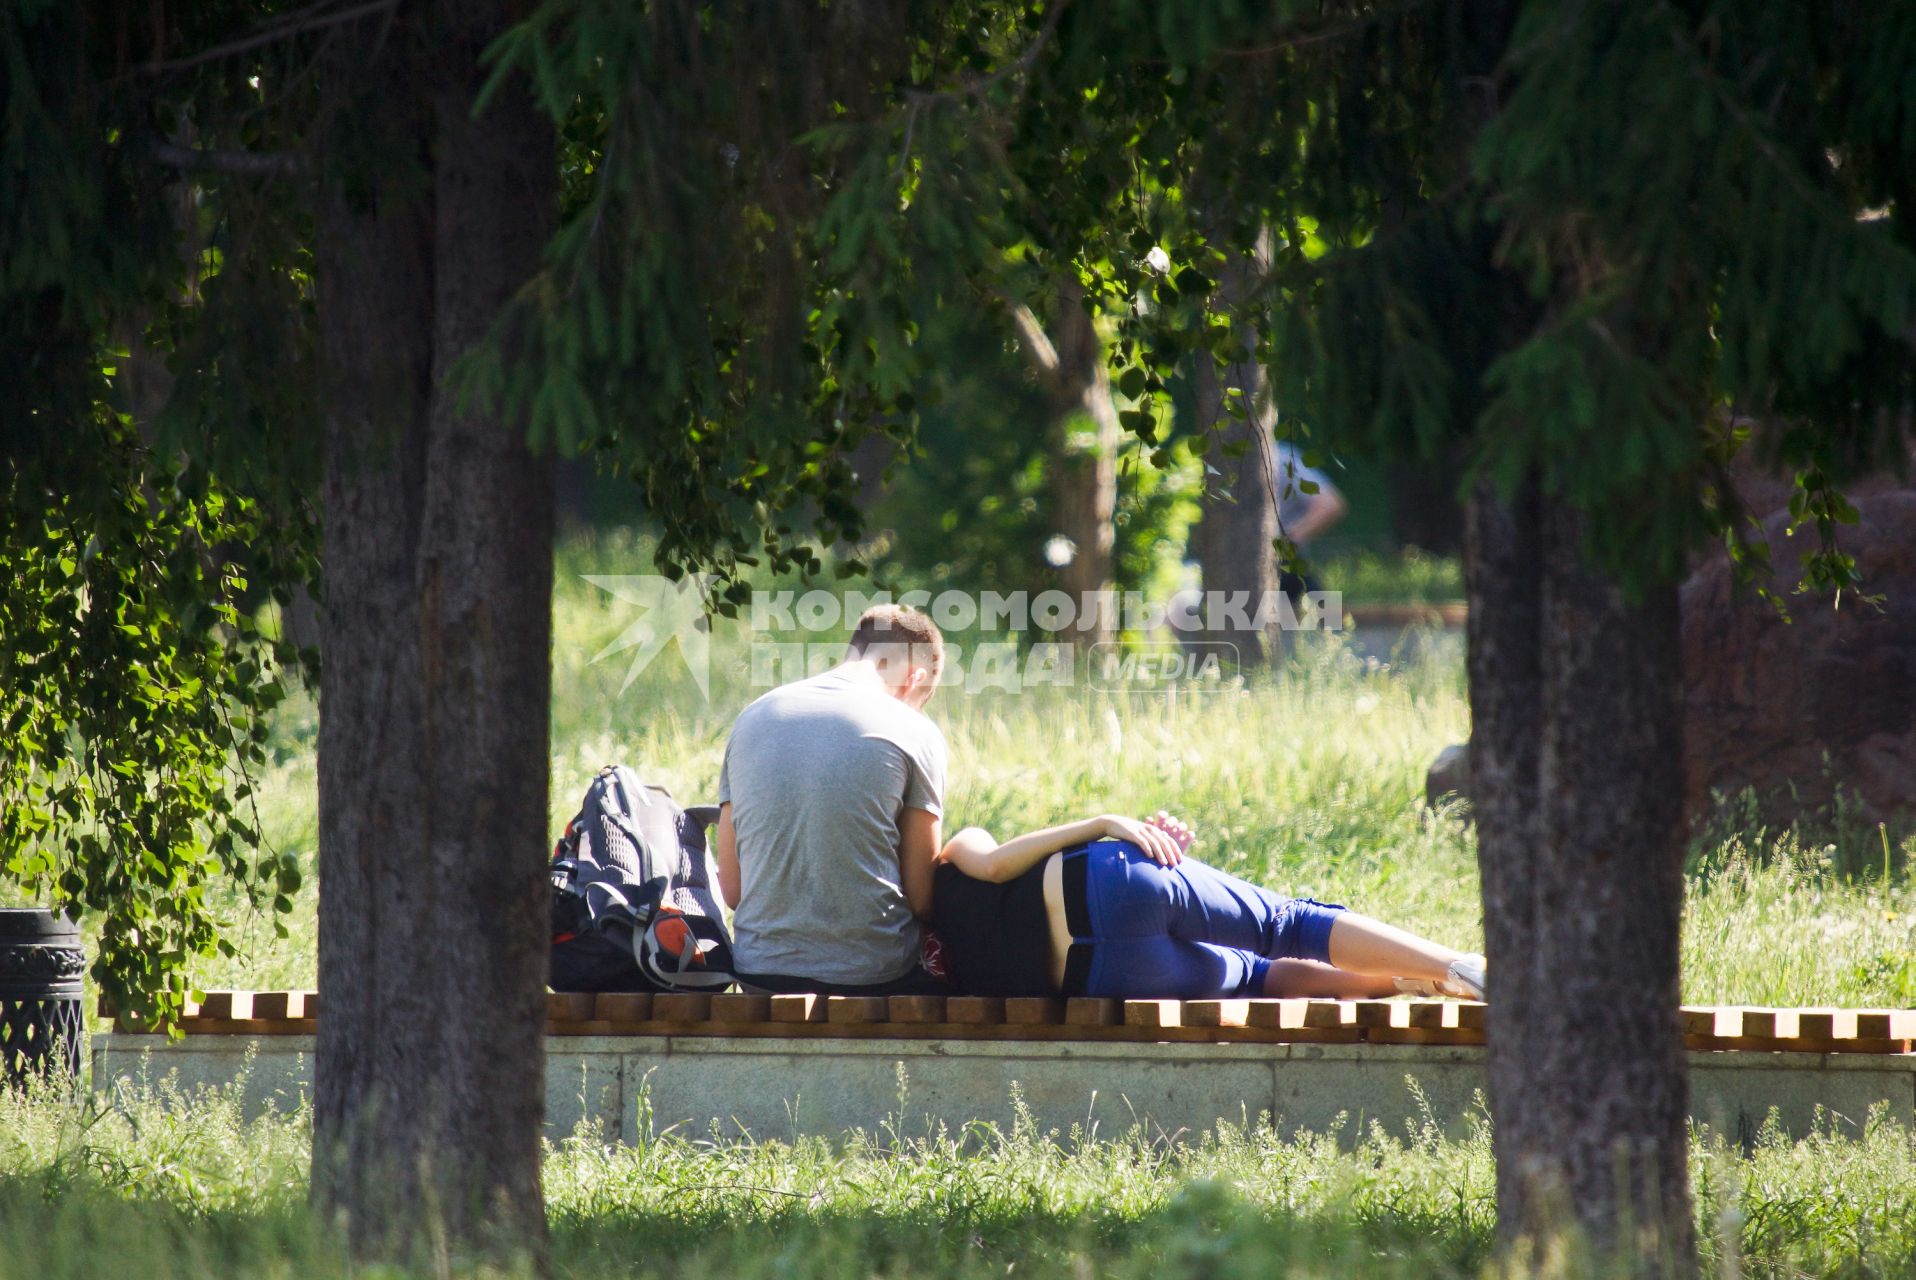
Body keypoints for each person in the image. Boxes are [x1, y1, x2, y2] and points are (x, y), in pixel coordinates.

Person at [930, 811, 1484, 1001]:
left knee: (1259, 977)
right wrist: (1102, 824)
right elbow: (999, 866)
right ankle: (1457, 967)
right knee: (1287, 923)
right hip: (1103, 883)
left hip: (1102, 974)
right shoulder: (951, 858)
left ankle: (1415, 984)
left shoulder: (916, 962)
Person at [713, 604, 949, 996]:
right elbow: (922, 900)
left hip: (759, 972)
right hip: (874, 977)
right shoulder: (914, 730)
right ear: (914, 677)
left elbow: (733, 891)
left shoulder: (753, 717)